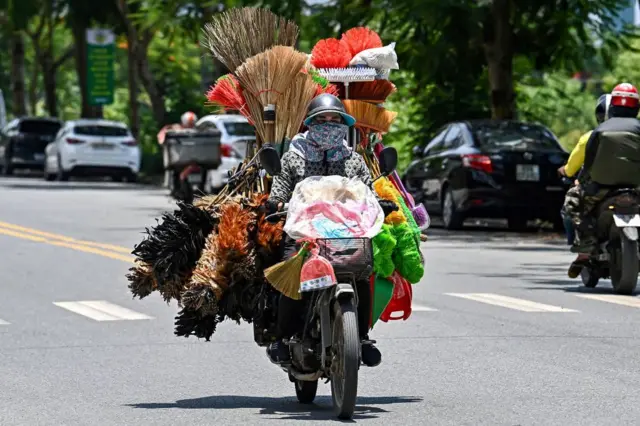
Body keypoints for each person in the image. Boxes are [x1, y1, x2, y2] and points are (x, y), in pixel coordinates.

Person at [266, 93, 398, 367]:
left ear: (343, 124)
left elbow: (367, 194)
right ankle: (281, 338)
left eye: (334, 119)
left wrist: (381, 204)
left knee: (362, 275)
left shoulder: (354, 161)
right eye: (321, 120)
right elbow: (279, 190)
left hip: (346, 233)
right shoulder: (293, 159)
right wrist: (276, 202)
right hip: (305, 234)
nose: (328, 124)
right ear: (310, 125)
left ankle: (361, 337)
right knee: (292, 274)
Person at [561, 83, 640, 277]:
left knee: (571, 203)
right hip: (636, 189)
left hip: (601, 189)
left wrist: (582, 181)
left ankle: (586, 244)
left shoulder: (598, 132)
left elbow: (588, 163)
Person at [558, 94, 610, 248]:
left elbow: (570, 169)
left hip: (596, 188)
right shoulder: (636, 134)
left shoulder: (590, 137)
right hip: (631, 187)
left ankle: (582, 246)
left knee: (570, 207)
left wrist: (566, 172)